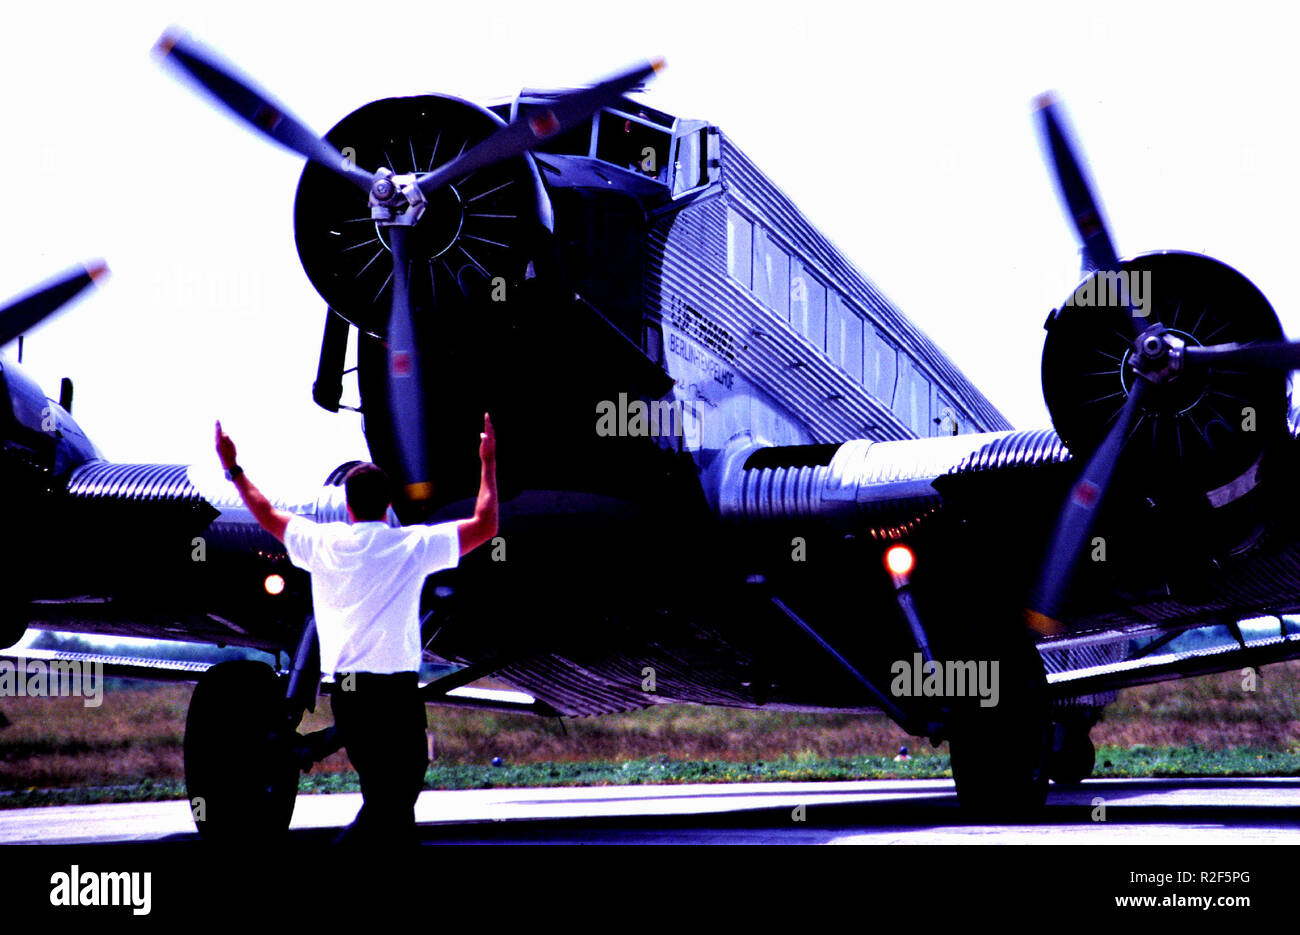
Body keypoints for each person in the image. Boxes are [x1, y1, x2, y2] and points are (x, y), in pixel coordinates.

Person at [214, 413, 498, 845]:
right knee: (392, 802)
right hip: (399, 694)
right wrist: (488, 462)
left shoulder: (321, 544)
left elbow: (265, 513)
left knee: (394, 806)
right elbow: (486, 525)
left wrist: (233, 469)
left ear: (346, 504)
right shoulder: (413, 544)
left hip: (350, 695)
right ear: (388, 505)